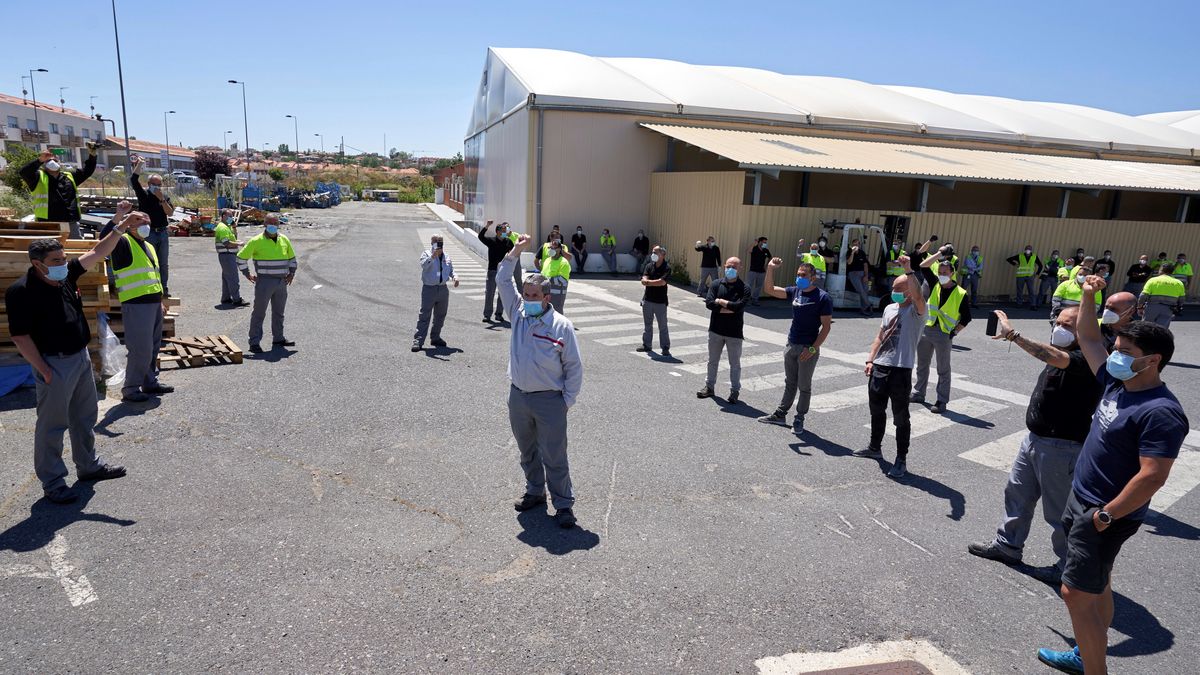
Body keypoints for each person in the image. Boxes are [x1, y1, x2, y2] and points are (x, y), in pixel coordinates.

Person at [1036, 276, 1187, 675]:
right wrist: (1088, 295)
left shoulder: (1160, 411)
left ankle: (1093, 669)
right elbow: (1088, 338)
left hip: (1104, 513)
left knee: (1074, 593)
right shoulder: (1118, 382)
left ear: (1152, 360)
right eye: (1116, 348)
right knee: (1098, 585)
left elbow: (1153, 476)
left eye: (1124, 350)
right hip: (1083, 499)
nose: (1114, 354)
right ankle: (1089, 656)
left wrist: (1106, 515)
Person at [5, 214, 145, 503]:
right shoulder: (21, 291)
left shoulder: (66, 275)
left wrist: (120, 227)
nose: (62, 263)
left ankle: (88, 466)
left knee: (84, 417)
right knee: (52, 426)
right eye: (56, 260)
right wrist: (43, 369)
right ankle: (53, 481)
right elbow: (20, 336)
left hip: (79, 358)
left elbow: (97, 252)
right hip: (53, 363)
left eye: (63, 257)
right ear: (38, 264)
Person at [968, 307, 1102, 581]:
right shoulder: (1064, 351)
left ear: (1083, 332)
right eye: (1057, 322)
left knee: (1059, 512)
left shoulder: (1087, 358)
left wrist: (1014, 336)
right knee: (1017, 494)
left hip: (1062, 447)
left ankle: (1068, 567)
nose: (1058, 329)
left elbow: (1054, 356)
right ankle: (1008, 545)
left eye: (1067, 326)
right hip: (1035, 438)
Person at [497, 235, 584, 529]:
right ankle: (535, 491)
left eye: (534, 296)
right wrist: (517, 250)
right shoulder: (518, 313)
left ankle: (563, 505)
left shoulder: (561, 326)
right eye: (526, 294)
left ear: (547, 298)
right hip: (519, 397)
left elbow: (574, 367)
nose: (528, 300)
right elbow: (502, 279)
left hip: (550, 400)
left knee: (555, 455)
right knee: (527, 451)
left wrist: (566, 401)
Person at [854, 255, 927, 479]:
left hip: (900, 370)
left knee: (901, 417)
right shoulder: (890, 309)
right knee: (877, 411)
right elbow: (880, 335)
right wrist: (870, 359)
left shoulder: (918, 311)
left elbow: (918, 296)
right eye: (893, 287)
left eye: (898, 288)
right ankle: (875, 448)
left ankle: (900, 458)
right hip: (880, 367)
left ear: (910, 291)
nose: (893, 291)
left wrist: (909, 269)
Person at [757, 259, 832, 433]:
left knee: (804, 386)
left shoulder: (822, 297)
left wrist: (812, 349)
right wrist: (770, 268)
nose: (800, 278)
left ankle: (799, 419)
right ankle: (780, 415)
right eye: (798, 275)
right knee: (790, 383)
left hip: (808, 348)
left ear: (813, 277)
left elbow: (826, 327)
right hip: (791, 344)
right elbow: (769, 290)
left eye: (803, 275)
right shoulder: (795, 291)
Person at [109, 210, 174, 403]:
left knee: (153, 347)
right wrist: (121, 218)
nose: (145, 225)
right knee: (140, 349)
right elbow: (106, 238)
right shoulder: (122, 242)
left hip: (152, 303)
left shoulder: (148, 246)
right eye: (139, 221)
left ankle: (149, 382)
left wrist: (160, 301)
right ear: (129, 224)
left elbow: (152, 275)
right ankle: (130, 388)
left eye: (148, 221)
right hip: (136, 304)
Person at [911, 250, 972, 413]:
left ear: (952, 273)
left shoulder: (961, 294)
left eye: (945, 272)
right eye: (940, 272)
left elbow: (966, 318)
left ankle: (941, 401)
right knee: (922, 365)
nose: (942, 274)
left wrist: (954, 333)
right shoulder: (934, 283)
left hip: (944, 334)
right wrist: (939, 254)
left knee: (943, 369)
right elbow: (923, 266)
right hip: (927, 329)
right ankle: (918, 393)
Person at [237, 215, 297, 353]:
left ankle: (278, 338)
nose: (273, 225)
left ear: (278, 224)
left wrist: (292, 273)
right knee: (259, 313)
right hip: (264, 282)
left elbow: (292, 258)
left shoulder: (284, 239)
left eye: (275, 222)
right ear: (264, 224)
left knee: (279, 313)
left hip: (281, 282)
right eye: (270, 222)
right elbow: (241, 258)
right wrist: (247, 274)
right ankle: (254, 343)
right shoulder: (256, 241)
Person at [697, 257, 750, 404]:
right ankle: (709, 387)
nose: (730, 269)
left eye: (733, 266)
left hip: (734, 333)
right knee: (712, 361)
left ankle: (734, 391)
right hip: (715, 330)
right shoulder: (715, 284)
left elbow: (739, 307)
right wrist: (729, 307)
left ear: (740, 268)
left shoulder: (744, 288)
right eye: (728, 266)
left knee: (735, 364)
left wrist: (721, 302)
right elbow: (709, 304)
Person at [20, 147, 98, 239]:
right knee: (49, 250)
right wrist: (40, 159)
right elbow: (24, 172)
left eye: (55, 159)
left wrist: (92, 156)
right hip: (48, 224)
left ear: (59, 162)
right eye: (49, 160)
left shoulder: (69, 177)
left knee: (74, 248)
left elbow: (87, 171)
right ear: (44, 164)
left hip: (70, 223)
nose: (53, 161)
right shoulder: (38, 178)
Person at [130, 157, 176, 297]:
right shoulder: (143, 195)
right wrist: (140, 164)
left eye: (159, 184)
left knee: (163, 263)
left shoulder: (164, 197)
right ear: (149, 184)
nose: (157, 187)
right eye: (155, 184)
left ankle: (164, 287)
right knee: (149, 261)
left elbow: (170, 212)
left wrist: (161, 199)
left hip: (162, 233)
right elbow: (133, 179)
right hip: (148, 233)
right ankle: (151, 286)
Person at [411, 235, 460, 351]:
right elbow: (423, 265)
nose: (439, 244)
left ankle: (435, 337)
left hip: (443, 289)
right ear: (432, 242)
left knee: (440, 315)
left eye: (441, 242)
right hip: (429, 288)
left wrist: (455, 277)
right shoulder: (426, 254)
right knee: (424, 315)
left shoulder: (446, 256)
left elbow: (451, 269)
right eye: (437, 242)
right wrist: (433, 257)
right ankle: (418, 340)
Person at [637, 246, 671, 356]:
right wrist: (648, 281)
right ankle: (647, 344)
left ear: (662, 254)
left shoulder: (666, 267)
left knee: (663, 326)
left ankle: (665, 347)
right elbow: (644, 278)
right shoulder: (649, 266)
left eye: (655, 252)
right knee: (648, 324)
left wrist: (648, 282)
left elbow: (662, 282)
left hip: (660, 301)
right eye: (652, 252)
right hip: (648, 299)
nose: (653, 254)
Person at [479, 220, 515, 323]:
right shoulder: (491, 241)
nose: (505, 231)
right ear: (497, 231)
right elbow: (481, 237)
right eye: (503, 230)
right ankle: (487, 315)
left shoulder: (509, 242)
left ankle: (499, 314)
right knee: (490, 293)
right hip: (492, 271)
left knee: (502, 294)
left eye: (506, 230)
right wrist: (487, 226)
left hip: (504, 272)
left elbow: (514, 254)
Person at [213, 210, 247, 307]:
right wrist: (239, 244)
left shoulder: (227, 227)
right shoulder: (222, 228)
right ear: (223, 216)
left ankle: (226, 298)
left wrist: (234, 226)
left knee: (227, 278)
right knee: (233, 278)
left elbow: (234, 237)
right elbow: (226, 243)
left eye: (232, 216)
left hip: (228, 255)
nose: (231, 218)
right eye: (229, 216)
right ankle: (237, 299)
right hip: (227, 255)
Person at [1137, 263, 1185, 329]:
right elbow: (1181, 299)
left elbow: (1143, 295)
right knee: (1161, 330)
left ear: (1161, 270)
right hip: (1168, 309)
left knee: (1146, 328)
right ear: (1172, 271)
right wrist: (1179, 307)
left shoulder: (1153, 280)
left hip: (1152, 307)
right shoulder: (1179, 283)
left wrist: (1140, 307)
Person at [540, 237, 572, 314]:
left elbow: (562, 280)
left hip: (557, 297)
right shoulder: (547, 260)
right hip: (545, 295)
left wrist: (545, 280)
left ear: (559, 249)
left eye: (554, 248)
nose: (551, 249)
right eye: (550, 248)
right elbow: (543, 274)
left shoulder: (563, 262)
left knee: (557, 317)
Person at [1006, 245, 1042, 309]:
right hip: (1020, 276)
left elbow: (1040, 265)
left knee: (1031, 291)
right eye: (1027, 249)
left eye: (1029, 249)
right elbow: (1009, 259)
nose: (1028, 250)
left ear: (1031, 250)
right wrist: (1015, 264)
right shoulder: (1020, 256)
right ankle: (1019, 304)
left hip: (1030, 276)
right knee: (1019, 290)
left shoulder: (1034, 256)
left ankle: (1033, 305)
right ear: (1025, 250)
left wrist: (1037, 274)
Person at [844, 238, 873, 315]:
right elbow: (849, 262)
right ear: (851, 245)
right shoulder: (849, 252)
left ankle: (864, 309)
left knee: (865, 290)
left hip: (862, 273)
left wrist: (866, 276)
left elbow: (865, 265)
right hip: (853, 273)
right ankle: (869, 305)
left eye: (857, 244)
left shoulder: (862, 253)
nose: (856, 246)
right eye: (854, 244)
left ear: (859, 245)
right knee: (860, 290)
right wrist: (852, 252)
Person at [746, 237, 771, 306]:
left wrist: (766, 266)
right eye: (764, 242)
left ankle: (755, 300)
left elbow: (770, 257)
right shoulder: (754, 248)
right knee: (748, 286)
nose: (765, 244)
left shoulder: (766, 250)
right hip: (753, 270)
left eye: (766, 242)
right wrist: (754, 243)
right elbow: (748, 251)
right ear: (759, 242)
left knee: (758, 286)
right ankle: (746, 300)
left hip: (762, 271)